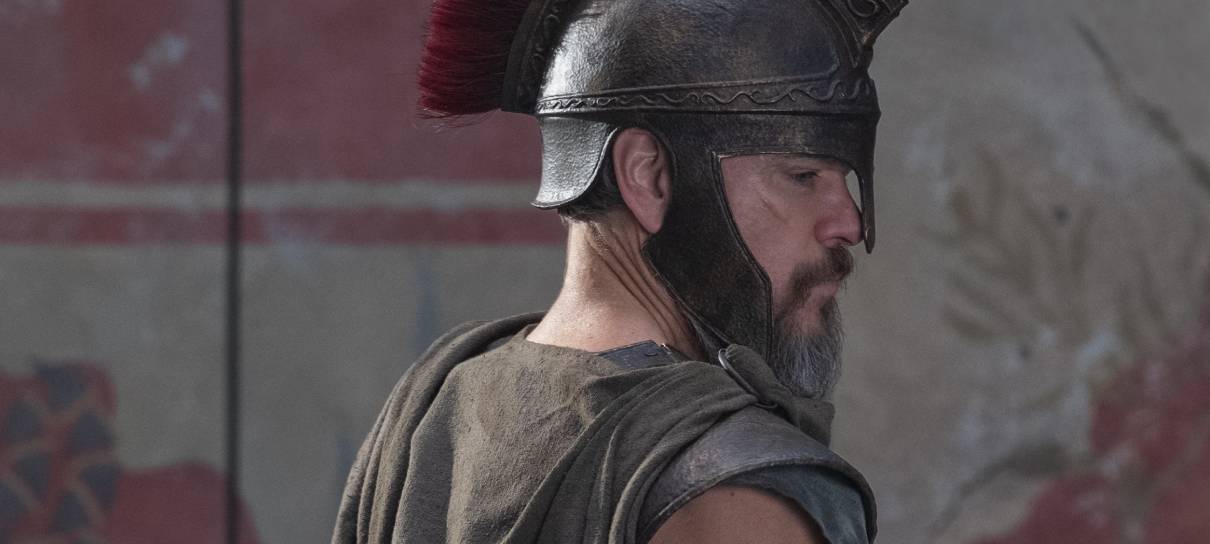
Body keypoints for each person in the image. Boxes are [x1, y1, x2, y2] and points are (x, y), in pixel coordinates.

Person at [333, 0, 907, 542]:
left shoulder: (436, 402)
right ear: (648, 176)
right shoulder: (738, 490)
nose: (849, 223)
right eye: (802, 176)